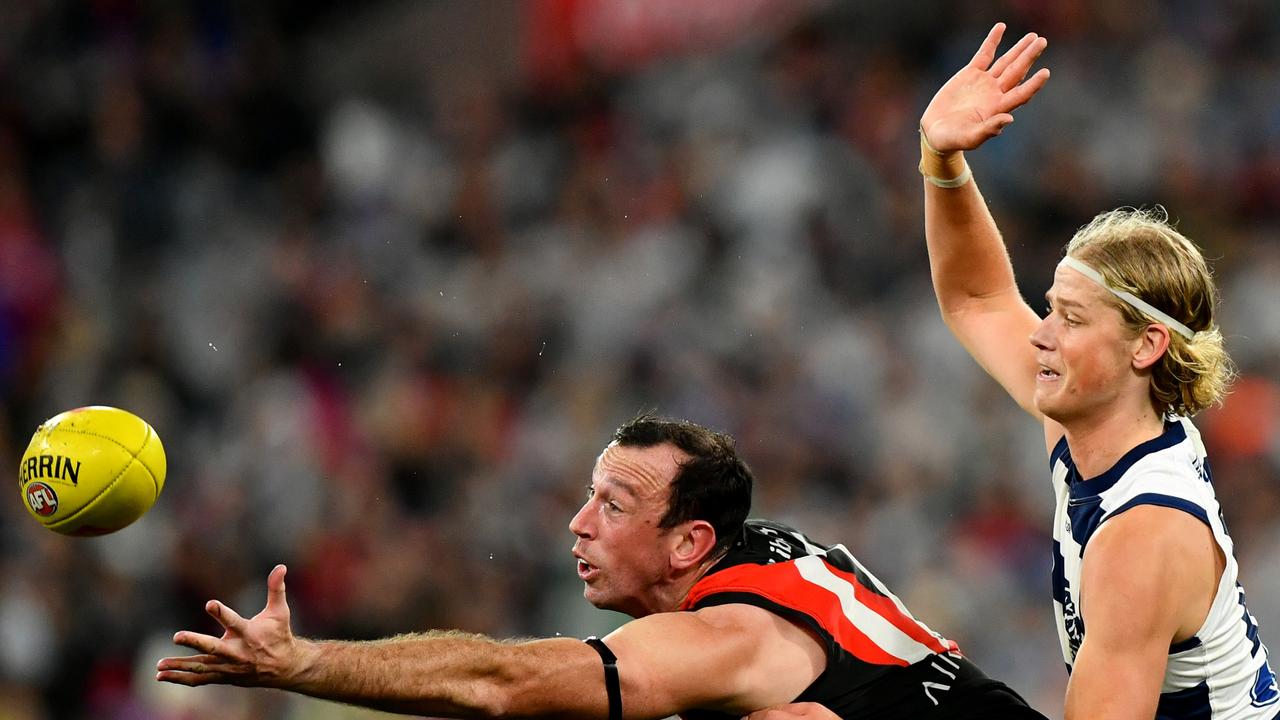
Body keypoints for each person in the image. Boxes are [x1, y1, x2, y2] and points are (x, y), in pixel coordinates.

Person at [157, 415, 1045, 719]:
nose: (578, 525)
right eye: (591, 495)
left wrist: (305, 664)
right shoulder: (763, 546)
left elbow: (501, 684)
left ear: (689, 544)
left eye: (613, 508)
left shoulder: (733, 638)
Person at [917, 22, 1279, 720]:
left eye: (1072, 319)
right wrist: (941, 160)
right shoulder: (1101, 422)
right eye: (1051, 309)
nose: (1042, 336)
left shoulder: (1142, 535)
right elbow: (977, 297)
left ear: (1144, 348)